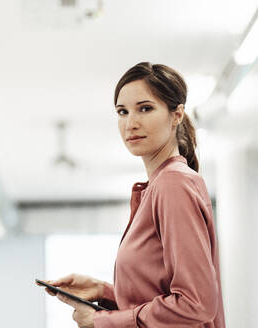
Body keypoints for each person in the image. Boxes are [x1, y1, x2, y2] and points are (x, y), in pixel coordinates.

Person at [37, 62, 225, 327]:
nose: (131, 123)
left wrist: (102, 322)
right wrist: (104, 291)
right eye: (122, 112)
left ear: (177, 115)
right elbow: (162, 295)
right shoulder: (161, 185)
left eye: (145, 109)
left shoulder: (173, 184)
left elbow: (196, 304)